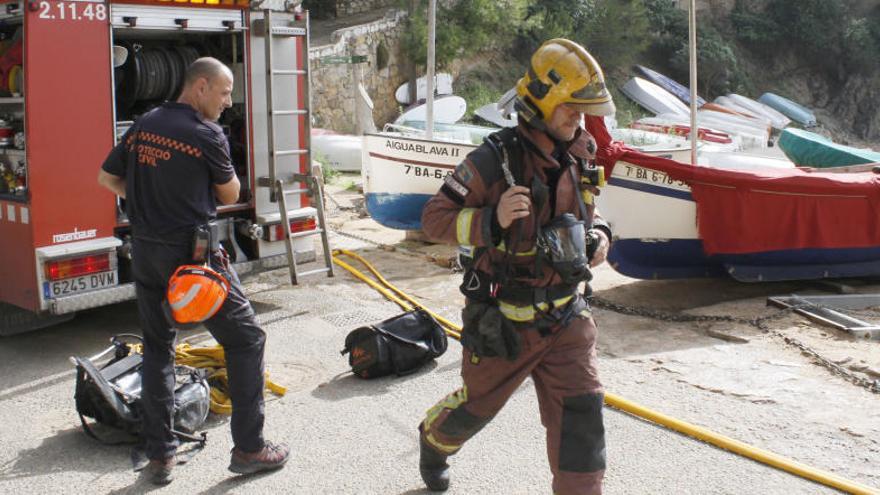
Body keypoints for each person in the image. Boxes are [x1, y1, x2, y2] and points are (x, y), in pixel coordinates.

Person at [416, 39, 615, 494]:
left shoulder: (579, 151)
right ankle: (434, 441)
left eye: (584, 112)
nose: (579, 120)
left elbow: (591, 212)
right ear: (541, 105)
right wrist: (493, 219)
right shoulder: (491, 161)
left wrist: (600, 236)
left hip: (567, 317)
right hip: (504, 324)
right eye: (571, 110)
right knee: (474, 410)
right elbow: (433, 219)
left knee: (582, 424)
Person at [98, 57, 289, 485]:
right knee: (246, 340)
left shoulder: (145, 123)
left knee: (158, 348)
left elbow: (106, 178)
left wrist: (147, 200)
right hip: (192, 259)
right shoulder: (206, 134)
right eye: (223, 93)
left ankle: (161, 456)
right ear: (200, 87)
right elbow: (231, 192)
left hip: (146, 251)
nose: (226, 103)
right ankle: (250, 447)